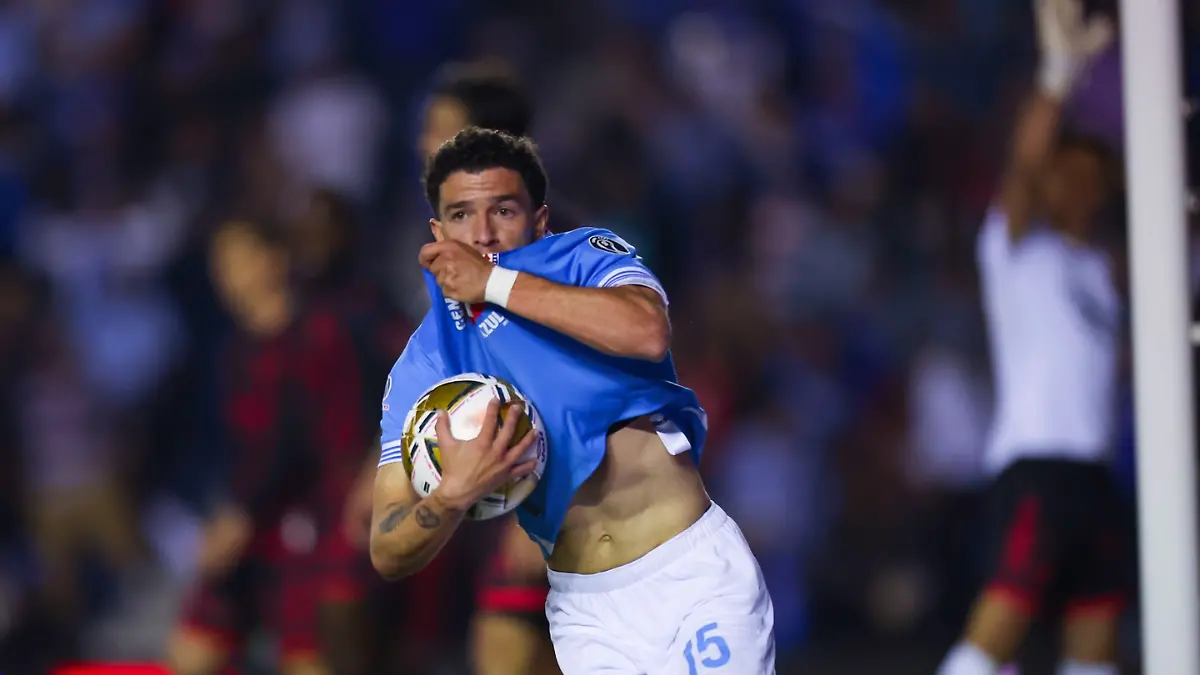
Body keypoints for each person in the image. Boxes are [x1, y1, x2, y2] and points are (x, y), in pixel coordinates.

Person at [370, 127, 776, 674]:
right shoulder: (424, 366)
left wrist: (491, 282)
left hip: (690, 576)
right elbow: (386, 548)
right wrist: (451, 497)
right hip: (586, 615)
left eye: (503, 211)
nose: (483, 233)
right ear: (438, 233)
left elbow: (647, 332)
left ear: (539, 222)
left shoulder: (583, 258)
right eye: (462, 215)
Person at [343, 61, 566, 675]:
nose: (423, 143)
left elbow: (582, 382)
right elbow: (447, 364)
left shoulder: (550, 252)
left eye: (438, 129)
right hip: (500, 481)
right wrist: (384, 460)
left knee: (508, 646)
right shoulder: (448, 252)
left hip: (569, 498)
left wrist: (550, 505)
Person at [937, 2, 1126, 674]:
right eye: (1065, 171)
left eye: (1090, 176)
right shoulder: (1017, 250)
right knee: (1001, 624)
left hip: (1096, 472)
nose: (1077, 184)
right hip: (1036, 468)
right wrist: (1057, 79)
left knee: (1096, 636)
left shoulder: (1107, 272)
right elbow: (1021, 166)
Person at [167, 219, 371, 675]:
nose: (226, 276)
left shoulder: (320, 334)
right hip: (247, 520)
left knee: (309, 660)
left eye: (238, 260)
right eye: (219, 265)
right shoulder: (230, 350)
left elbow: (302, 438)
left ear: (275, 259)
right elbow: (233, 445)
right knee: (191, 653)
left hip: (313, 519)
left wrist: (242, 512)